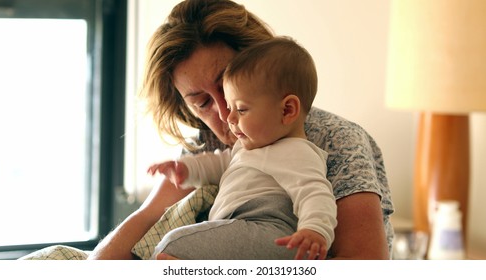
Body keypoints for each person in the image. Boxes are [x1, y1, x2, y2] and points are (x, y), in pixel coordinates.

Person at [89, 0, 394, 260]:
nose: (225, 114)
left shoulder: (335, 139)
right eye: (202, 102)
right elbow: (146, 218)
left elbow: (364, 263)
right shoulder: (207, 143)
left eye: (226, 87)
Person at [146, 37, 337, 260]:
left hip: (268, 230)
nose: (229, 117)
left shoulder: (296, 151)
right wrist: (186, 169)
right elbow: (217, 163)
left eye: (242, 109)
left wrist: (314, 231)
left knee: (172, 244)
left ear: (287, 110)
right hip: (240, 228)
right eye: (230, 107)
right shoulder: (247, 148)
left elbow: (315, 192)